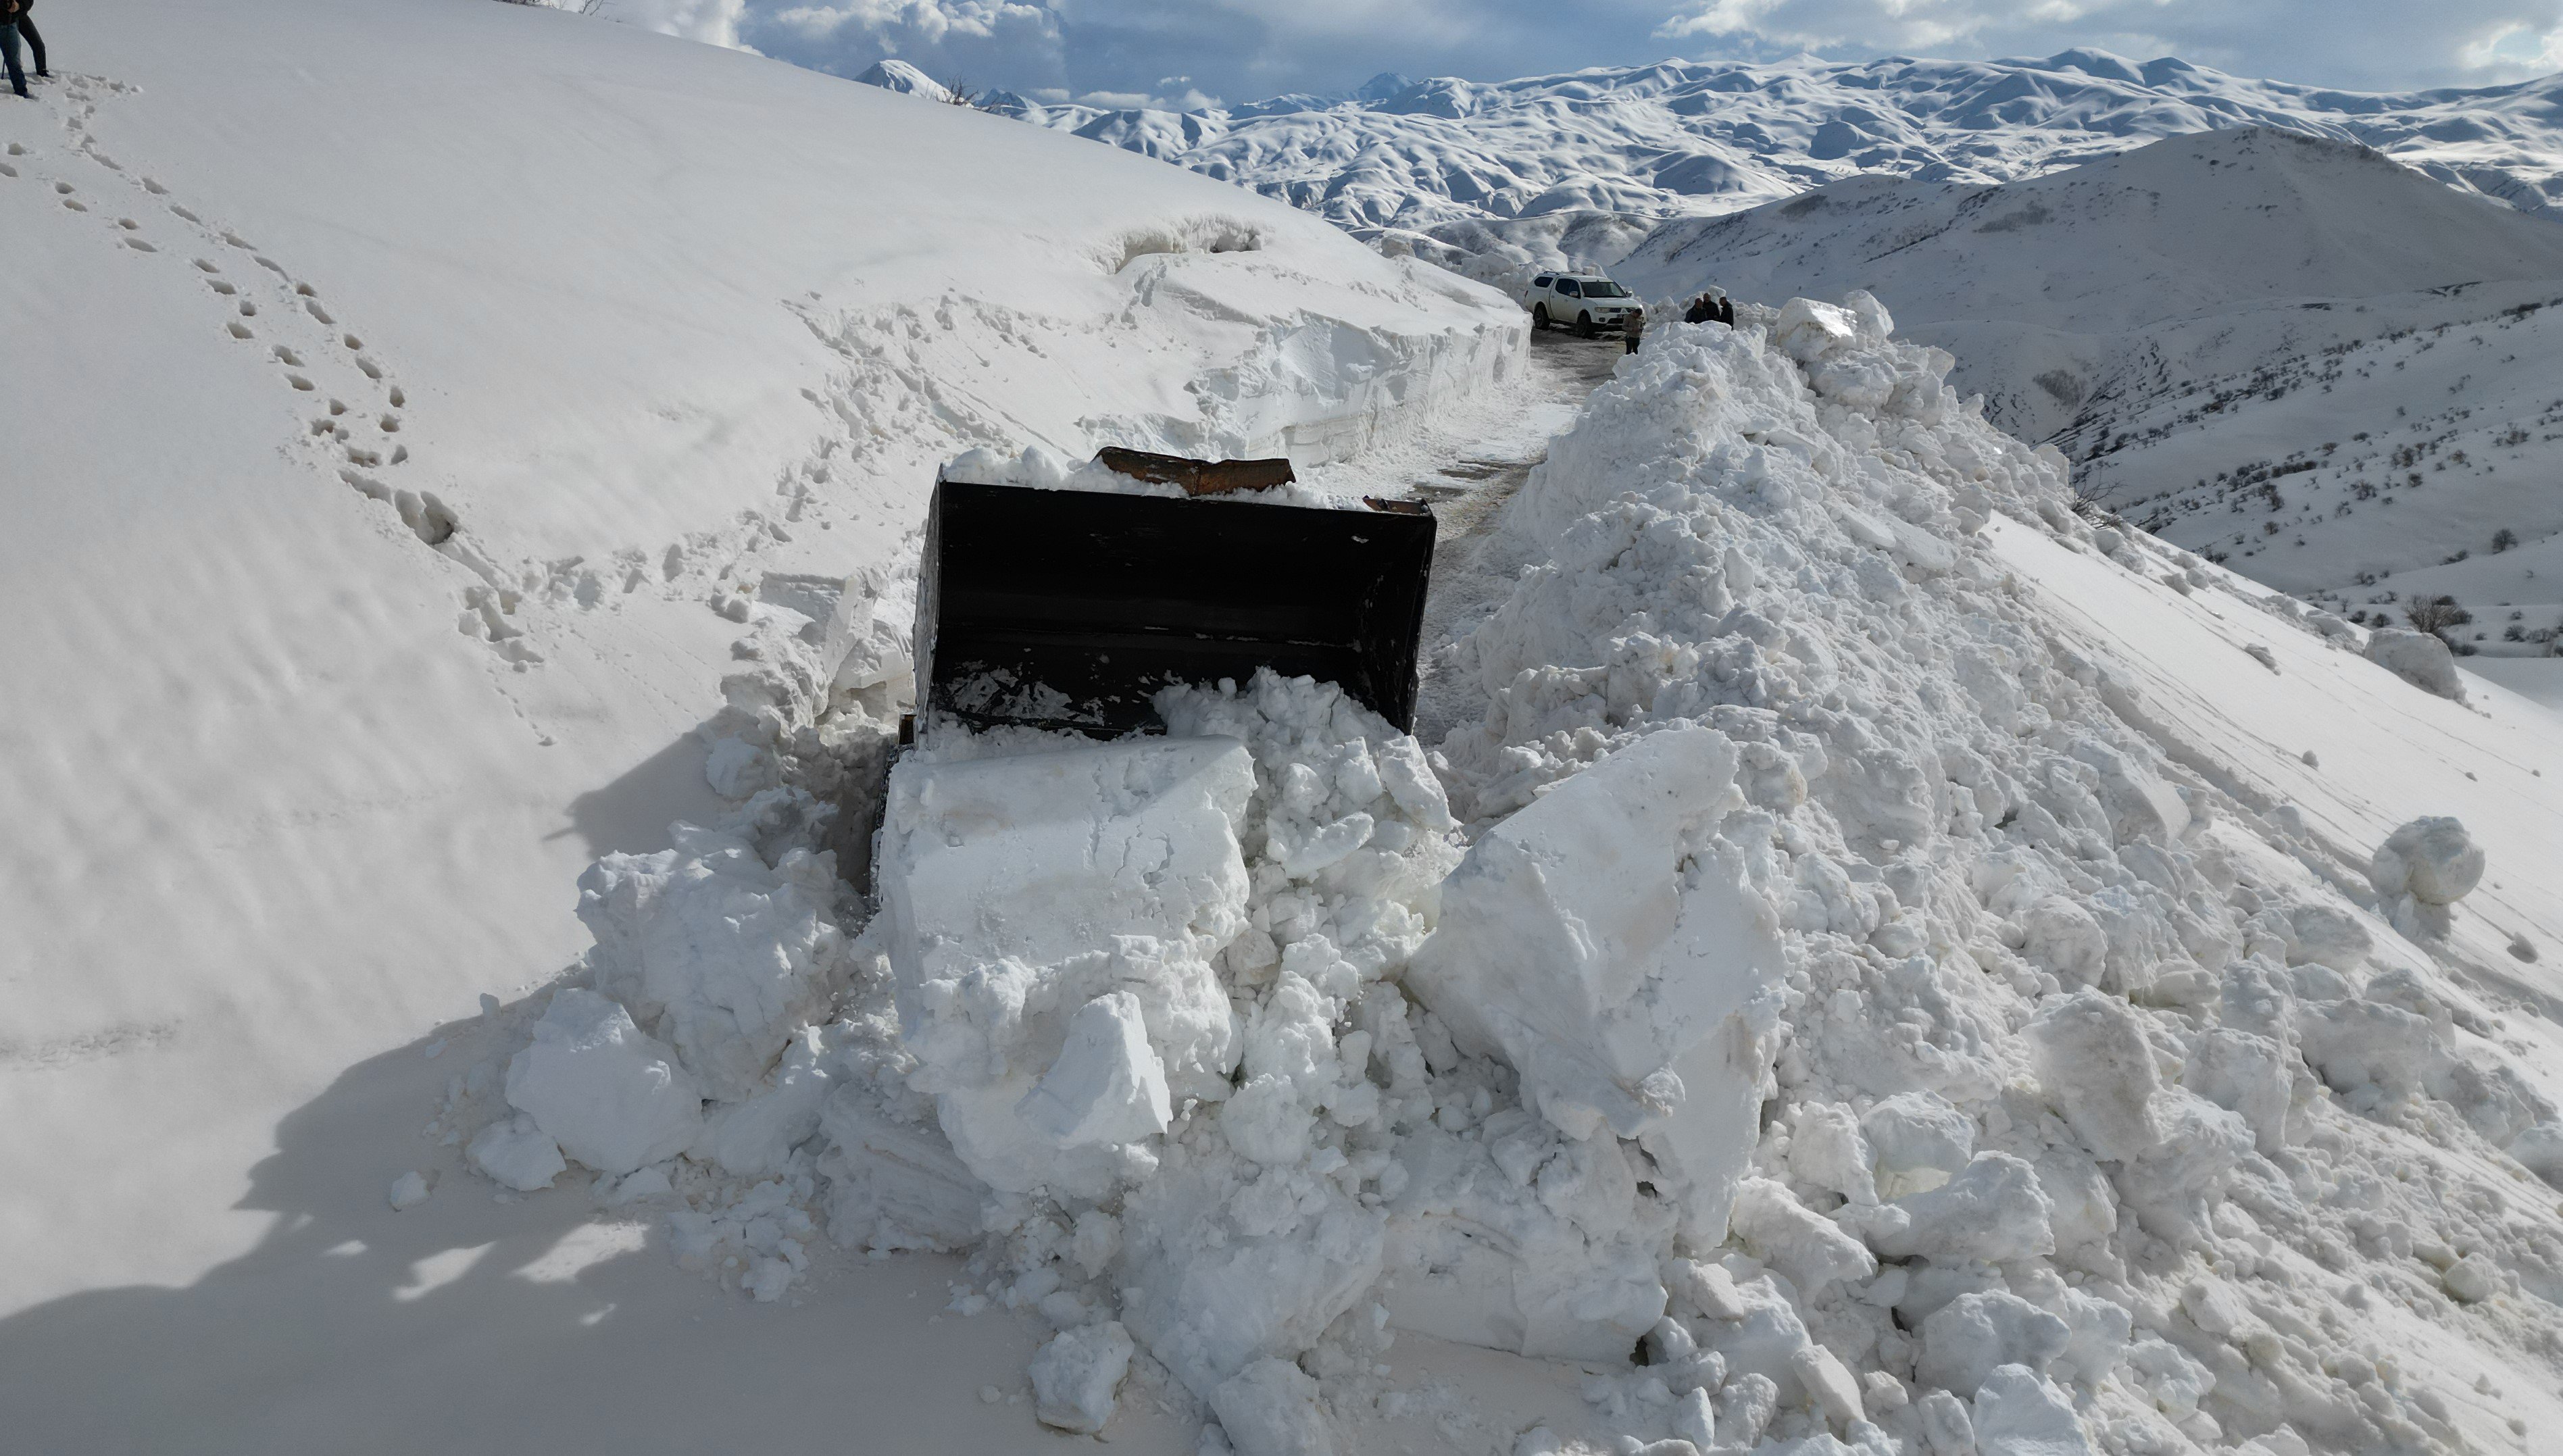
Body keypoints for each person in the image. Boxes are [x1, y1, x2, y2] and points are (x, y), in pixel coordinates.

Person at [1, 0, 44, 100]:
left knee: (13, 60)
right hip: (8, 21)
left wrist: (19, 6)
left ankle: (22, 92)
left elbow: (29, 1)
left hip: (10, 22)